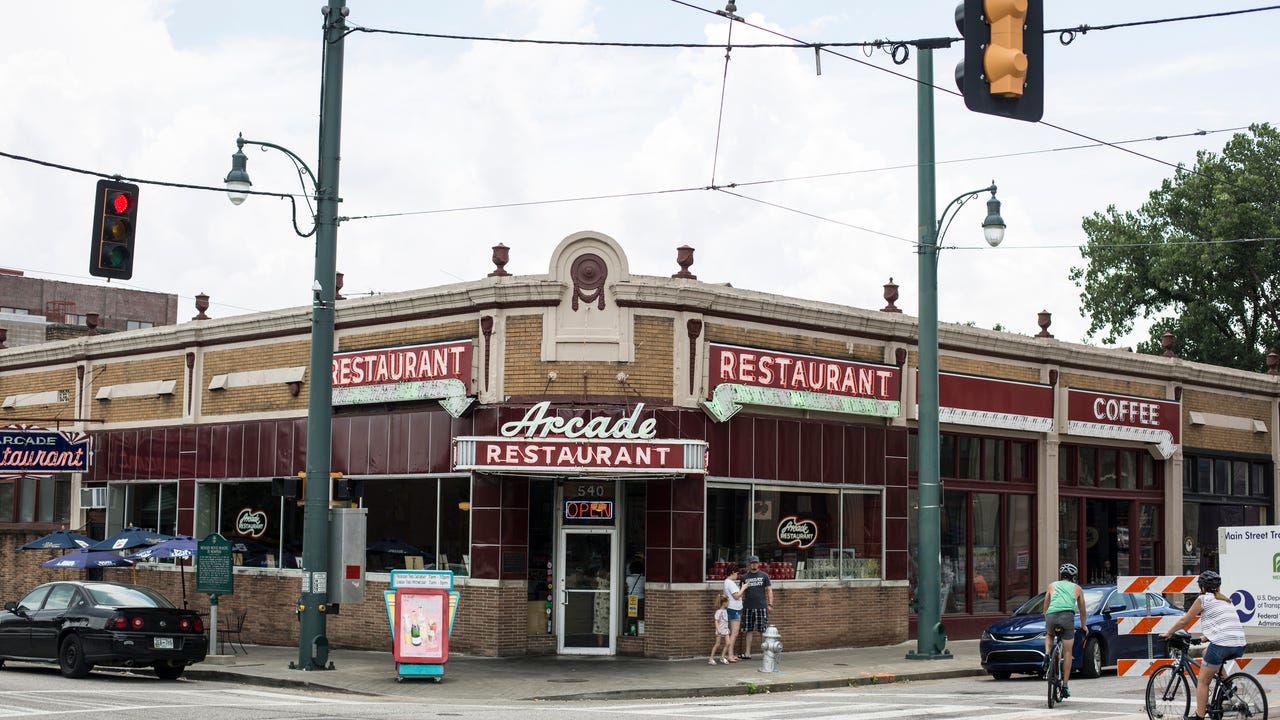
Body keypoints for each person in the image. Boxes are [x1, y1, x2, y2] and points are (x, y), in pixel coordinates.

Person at [1161, 570, 1246, 720]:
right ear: (1218, 587)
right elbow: (1225, 624)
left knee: (1203, 681)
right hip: (1239, 644)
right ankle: (1227, 686)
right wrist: (1205, 637)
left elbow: (1184, 621)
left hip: (1222, 644)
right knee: (1206, 652)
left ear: (1202, 588)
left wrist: (1169, 633)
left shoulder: (1204, 599)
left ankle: (1200, 716)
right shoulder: (1226, 601)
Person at [1042, 562, 1087, 699]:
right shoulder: (1077, 588)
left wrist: (1047, 619)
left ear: (1060, 576)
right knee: (1068, 651)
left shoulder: (1052, 585)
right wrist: (1083, 625)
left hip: (1051, 615)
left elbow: (1045, 607)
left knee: (1050, 635)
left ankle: (1047, 654)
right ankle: (1065, 685)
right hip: (1067, 617)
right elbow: (1082, 610)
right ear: (1074, 577)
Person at [739, 555, 774, 659]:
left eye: (756, 563)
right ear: (749, 564)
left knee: (762, 630)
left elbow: (769, 591)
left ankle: (766, 652)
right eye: (752, 563)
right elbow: (740, 592)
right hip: (748, 607)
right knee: (748, 630)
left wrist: (770, 604)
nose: (754, 564)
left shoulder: (764, 576)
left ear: (758, 564)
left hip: (761, 607)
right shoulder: (744, 577)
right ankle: (747, 653)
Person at [722, 564, 746, 662]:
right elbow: (736, 596)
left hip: (732, 608)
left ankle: (730, 654)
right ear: (732, 572)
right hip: (734, 609)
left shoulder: (727, 582)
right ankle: (730, 655)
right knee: (734, 633)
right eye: (737, 573)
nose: (737, 575)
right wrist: (743, 588)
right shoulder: (730, 583)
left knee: (733, 633)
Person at [710, 594, 731, 664]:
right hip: (720, 631)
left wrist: (727, 628)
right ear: (724, 603)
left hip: (725, 630)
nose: (729, 603)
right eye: (728, 602)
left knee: (728, 643)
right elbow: (716, 620)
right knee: (717, 644)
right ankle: (711, 658)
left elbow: (726, 621)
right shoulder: (718, 612)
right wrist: (718, 629)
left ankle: (722, 657)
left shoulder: (725, 611)